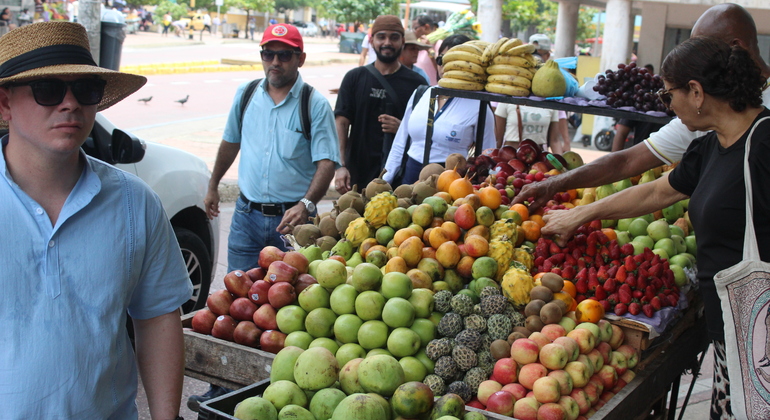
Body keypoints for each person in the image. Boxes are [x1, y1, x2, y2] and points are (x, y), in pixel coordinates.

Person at [542, 36, 770, 419]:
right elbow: (656, 192)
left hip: (760, 329)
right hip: (733, 328)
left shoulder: (763, 145)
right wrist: (580, 214)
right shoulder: (711, 147)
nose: (668, 105)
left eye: (668, 95)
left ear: (696, 92)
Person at [0, 21, 190, 419]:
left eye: (86, 89)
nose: (70, 104)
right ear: (5, 104)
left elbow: (157, 318)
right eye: (48, 89)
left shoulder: (135, 204)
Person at [513, 3, 770, 212]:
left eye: (702, 51)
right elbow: (637, 171)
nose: (670, 105)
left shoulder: (760, 136)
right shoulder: (705, 133)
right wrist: (560, 189)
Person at [383, 34, 496, 186]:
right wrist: (385, 179)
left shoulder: (479, 105)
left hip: (450, 185)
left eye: (453, 61)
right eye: (441, 59)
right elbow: (400, 143)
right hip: (410, 179)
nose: (445, 66)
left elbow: (488, 155)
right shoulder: (421, 93)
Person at [334, 15, 427, 194]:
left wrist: (403, 129)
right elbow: (341, 123)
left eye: (394, 37)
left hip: (400, 178)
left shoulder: (418, 84)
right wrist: (340, 166)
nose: (387, 43)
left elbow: (426, 131)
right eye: (381, 37)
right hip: (357, 175)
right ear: (371, 41)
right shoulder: (354, 78)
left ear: (402, 41)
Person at [494, 103, 560, 150]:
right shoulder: (508, 100)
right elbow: (497, 138)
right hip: (510, 155)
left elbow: (555, 140)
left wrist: (560, 162)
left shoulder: (550, 103)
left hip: (538, 157)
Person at [411, 14, 439, 85]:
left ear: (426, 27)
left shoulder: (439, 44)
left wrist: (429, 49)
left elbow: (440, 68)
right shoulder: (417, 44)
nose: (413, 32)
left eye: (415, 28)